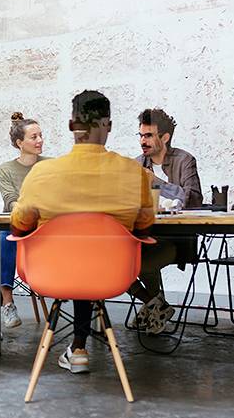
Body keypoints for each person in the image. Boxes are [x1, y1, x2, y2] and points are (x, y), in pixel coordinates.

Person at [11, 90, 175, 374]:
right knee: (94, 257)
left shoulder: (41, 174)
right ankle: (78, 345)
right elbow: (144, 227)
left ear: (71, 125)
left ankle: (78, 348)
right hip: (113, 274)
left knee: (74, 258)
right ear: (109, 126)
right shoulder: (133, 173)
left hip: (51, 273)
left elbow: (19, 226)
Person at [132, 108, 203, 330]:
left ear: (165, 137)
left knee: (139, 262)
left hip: (176, 240)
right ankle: (156, 305)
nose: (143, 141)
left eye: (149, 135)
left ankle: (154, 306)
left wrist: (157, 183)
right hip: (142, 236)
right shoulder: (136, 164)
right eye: (141, 135)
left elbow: (193, 200)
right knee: (113, 260)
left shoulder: (184, 160)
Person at [0, 112, 48, 328]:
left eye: (40, 136)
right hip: (21, 227)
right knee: (4, 234)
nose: (39, 141)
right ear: (20, 143)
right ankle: (7, 302)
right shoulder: (5, 169)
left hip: (46, 230)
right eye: (33, 137)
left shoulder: (50, 166)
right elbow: (10, 201)